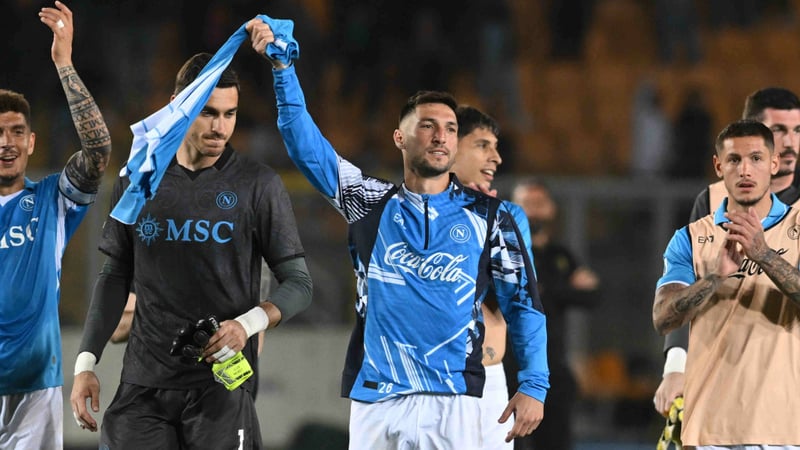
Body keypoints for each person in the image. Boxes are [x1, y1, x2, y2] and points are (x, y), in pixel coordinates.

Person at [249, 17, 549, 449]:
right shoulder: (369, 200)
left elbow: (523, 303)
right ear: (399, 138)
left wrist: (534, 383)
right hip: (377, 398)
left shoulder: (493, 216)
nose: (441, 136)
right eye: (427, 125)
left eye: (450, 129)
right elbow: (303, 142)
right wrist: (283, 70)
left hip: (455, 399)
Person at [69, 52, 313, 449]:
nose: (220, 128)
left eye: (230, 114)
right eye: (207, 113)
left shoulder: (258, 185)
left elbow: (299, 284)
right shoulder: (138, 179)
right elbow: (114, 275)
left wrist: (246, 325)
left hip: (220, 389)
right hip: (144, 387)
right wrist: (85, 364)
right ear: (177, 107)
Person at [0, 3, 112, 449]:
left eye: (16, 131)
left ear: (31, 142)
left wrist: (64, 64)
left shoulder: (52, 200)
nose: (6, 143)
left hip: (34, 387)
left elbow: (98, 152)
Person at [653, 87, 800, 417]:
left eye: (797, 130)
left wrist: (765, 255)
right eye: (779, 130)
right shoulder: (711, 201)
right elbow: (686, 282)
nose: (791, 142)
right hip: (725, 384)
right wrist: (675, 365)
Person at [449, 105, 533, 450]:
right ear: (450, 145)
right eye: (482, 145)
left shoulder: (508, 216)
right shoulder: (412, 211)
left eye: (496, 147)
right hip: (437, 383)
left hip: (493, 381)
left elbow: (515, 296)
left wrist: (485, 225)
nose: (496, 158)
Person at [510, 179, 600, 450]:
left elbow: (593, 296)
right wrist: (563, 288)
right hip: (510, 368)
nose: (534, 211)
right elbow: (522, 298)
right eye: (526, 204)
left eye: (539, 204)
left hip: (553, 370)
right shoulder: (507, 252)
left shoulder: (561, 255)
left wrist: (545, 289)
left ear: (551, 208)